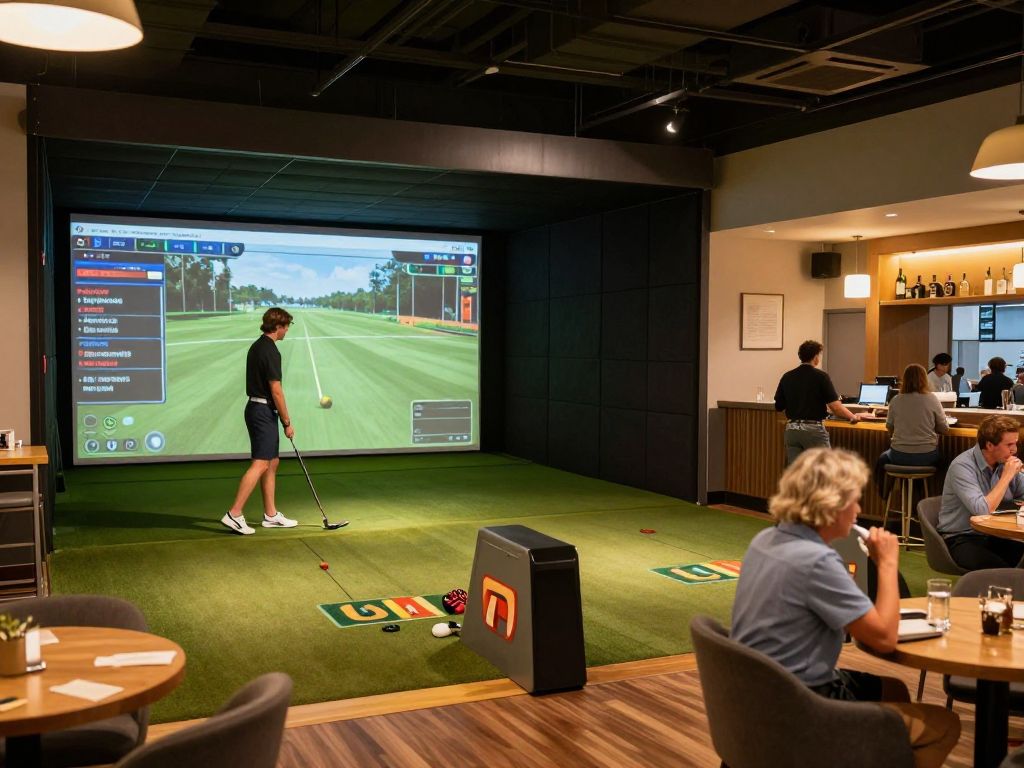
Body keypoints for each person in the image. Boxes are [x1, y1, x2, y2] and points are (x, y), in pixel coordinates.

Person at [731, 448, 960, 768]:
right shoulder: (816, 562)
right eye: (853, 500)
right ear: (830, 506)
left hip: (757, 695)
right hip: (802, 703)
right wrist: (887, 563)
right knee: (942, 725)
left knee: (892, 689)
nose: (859, 509)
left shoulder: (765, 540)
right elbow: (883, 638)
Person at [222, 307, 300, 535]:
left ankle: (271, 515)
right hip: (262, 411)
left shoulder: (259, 346)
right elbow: (276, 390)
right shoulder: (271, 351)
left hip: (260, 409)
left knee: (272, 462)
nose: (287, 331)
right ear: (278, 326)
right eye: (286, 327)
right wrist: (287, 421)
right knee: (261, 463)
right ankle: (234, 514)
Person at [938, 414, 1024, 569]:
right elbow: (982, 510)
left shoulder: (1002, 462)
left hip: (996, 534)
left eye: (1015, 443)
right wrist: (1007, 476)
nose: (1015, 450)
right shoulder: (962, 466)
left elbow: (1021, 494)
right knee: (1001, 571)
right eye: (1009, 445)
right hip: (962, 537)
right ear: (990, 445)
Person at [774, 340, 861, 465]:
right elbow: (835, 407)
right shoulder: (821, 377)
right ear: (815, 357)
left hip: (791, 431)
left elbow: (779, 406)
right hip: (813, 430)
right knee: (823, 471)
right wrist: (853, 416)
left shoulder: (787, 376)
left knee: (796, 473)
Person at [875, 363, 948, 496]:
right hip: (928, 456)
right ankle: (936, 499)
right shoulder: (932, 399)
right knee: (945, 462)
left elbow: (889, 427)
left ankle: (884, 494)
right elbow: (944, 428)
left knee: (882, 458)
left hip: (899, 456)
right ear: (924, 379)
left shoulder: (896, 400)